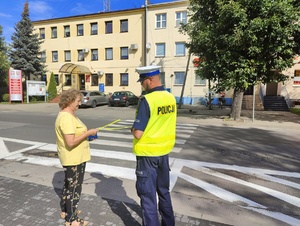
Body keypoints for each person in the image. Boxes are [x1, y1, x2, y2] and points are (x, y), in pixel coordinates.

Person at [131, 65, 176, 226]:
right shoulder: (170, 97)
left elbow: (138, 133)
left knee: (148, 197)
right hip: (164, 153)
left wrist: (133, 128)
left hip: (147, 155)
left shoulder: (147, 100)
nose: (142, 85)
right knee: (164, 192)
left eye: (143, 81)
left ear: (150, 80)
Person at [55, 88, 98, 226]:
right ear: (70, 101)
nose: (80, 104)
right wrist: (88, 133)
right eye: (78, 101)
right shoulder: (67, 117)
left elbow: (75, 137)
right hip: (74, 158)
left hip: (75, 156)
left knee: (69, 186)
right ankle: (72, 219)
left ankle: (66, 210)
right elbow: (70, 142)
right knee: (74, 188)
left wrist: (87, 137)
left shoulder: (69, 114)